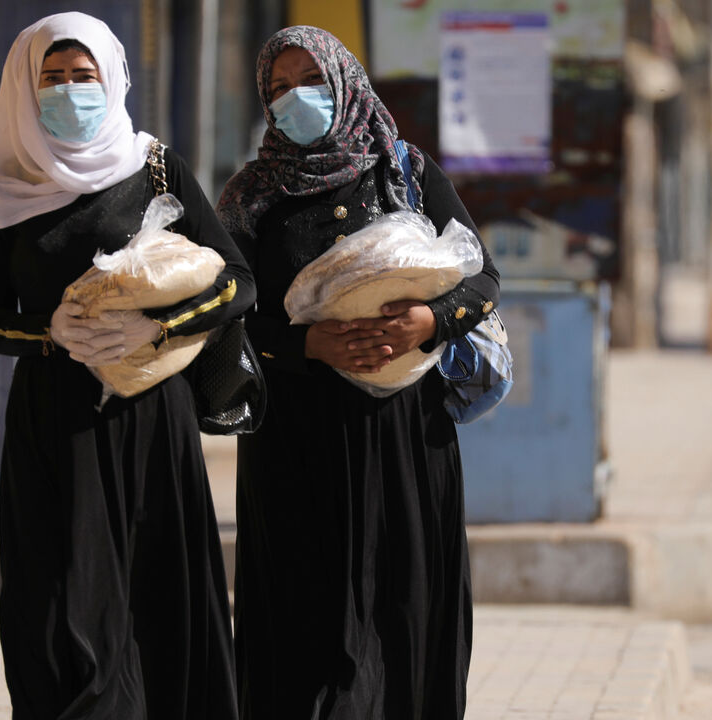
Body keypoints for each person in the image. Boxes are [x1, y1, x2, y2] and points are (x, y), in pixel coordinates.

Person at [0, 12, 252, 719]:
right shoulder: (12, 181)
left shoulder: (154, 166)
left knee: (157, 586)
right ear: (27, 90)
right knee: (58, 591)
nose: (69, 91)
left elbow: (236, 283)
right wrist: (49, 332)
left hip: (151, 416)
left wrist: (157, 325)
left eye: (83, 75)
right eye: (52, 78)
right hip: (52, 421)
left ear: (112, 77)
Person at [217, 25, 500, 720]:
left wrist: (427, 323)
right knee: (307, 628)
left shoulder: (404, 170)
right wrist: (309, 347)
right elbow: (225, 320)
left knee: (406, 611)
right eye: (278, 88)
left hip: (405, 438)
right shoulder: (250, 199)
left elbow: (484, 280)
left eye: (309, 80)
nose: (294, 98)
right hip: (296, 444)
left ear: (344, 82)